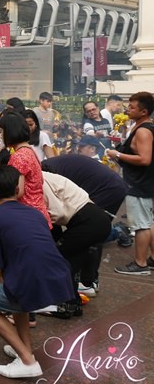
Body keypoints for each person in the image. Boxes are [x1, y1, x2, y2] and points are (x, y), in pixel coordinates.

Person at [0, 165, 74, 379]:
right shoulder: (35, 213)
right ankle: (24, 349)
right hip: (59, 276)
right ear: (18, 189)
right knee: (17, 301)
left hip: (31, 280)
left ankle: (28, 361)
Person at [42, 153, 129, 295]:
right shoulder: (47, 166)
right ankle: (84, 280)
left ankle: (88, 281)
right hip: (107, 185)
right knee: (84, 233)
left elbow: (56, 210)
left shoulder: (43, 175)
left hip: (107, 189)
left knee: (89, 232)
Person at [108, 92, 154, 276]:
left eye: (132, 107)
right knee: (150, 222)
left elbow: (144, 159)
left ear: (143, 111)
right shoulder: (140, 126)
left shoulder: (143, 130)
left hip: (139, 184)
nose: (128, 109)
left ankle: (140, 264)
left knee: (141, 225)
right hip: (145, 183)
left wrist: (117, 154)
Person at [0, 111, 51, 228]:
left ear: (10, 132)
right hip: (37, 213)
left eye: (2, 132)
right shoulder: (28, 150)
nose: (1, 136)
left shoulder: (19, 156)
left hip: (28, 216)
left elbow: (16, 191)